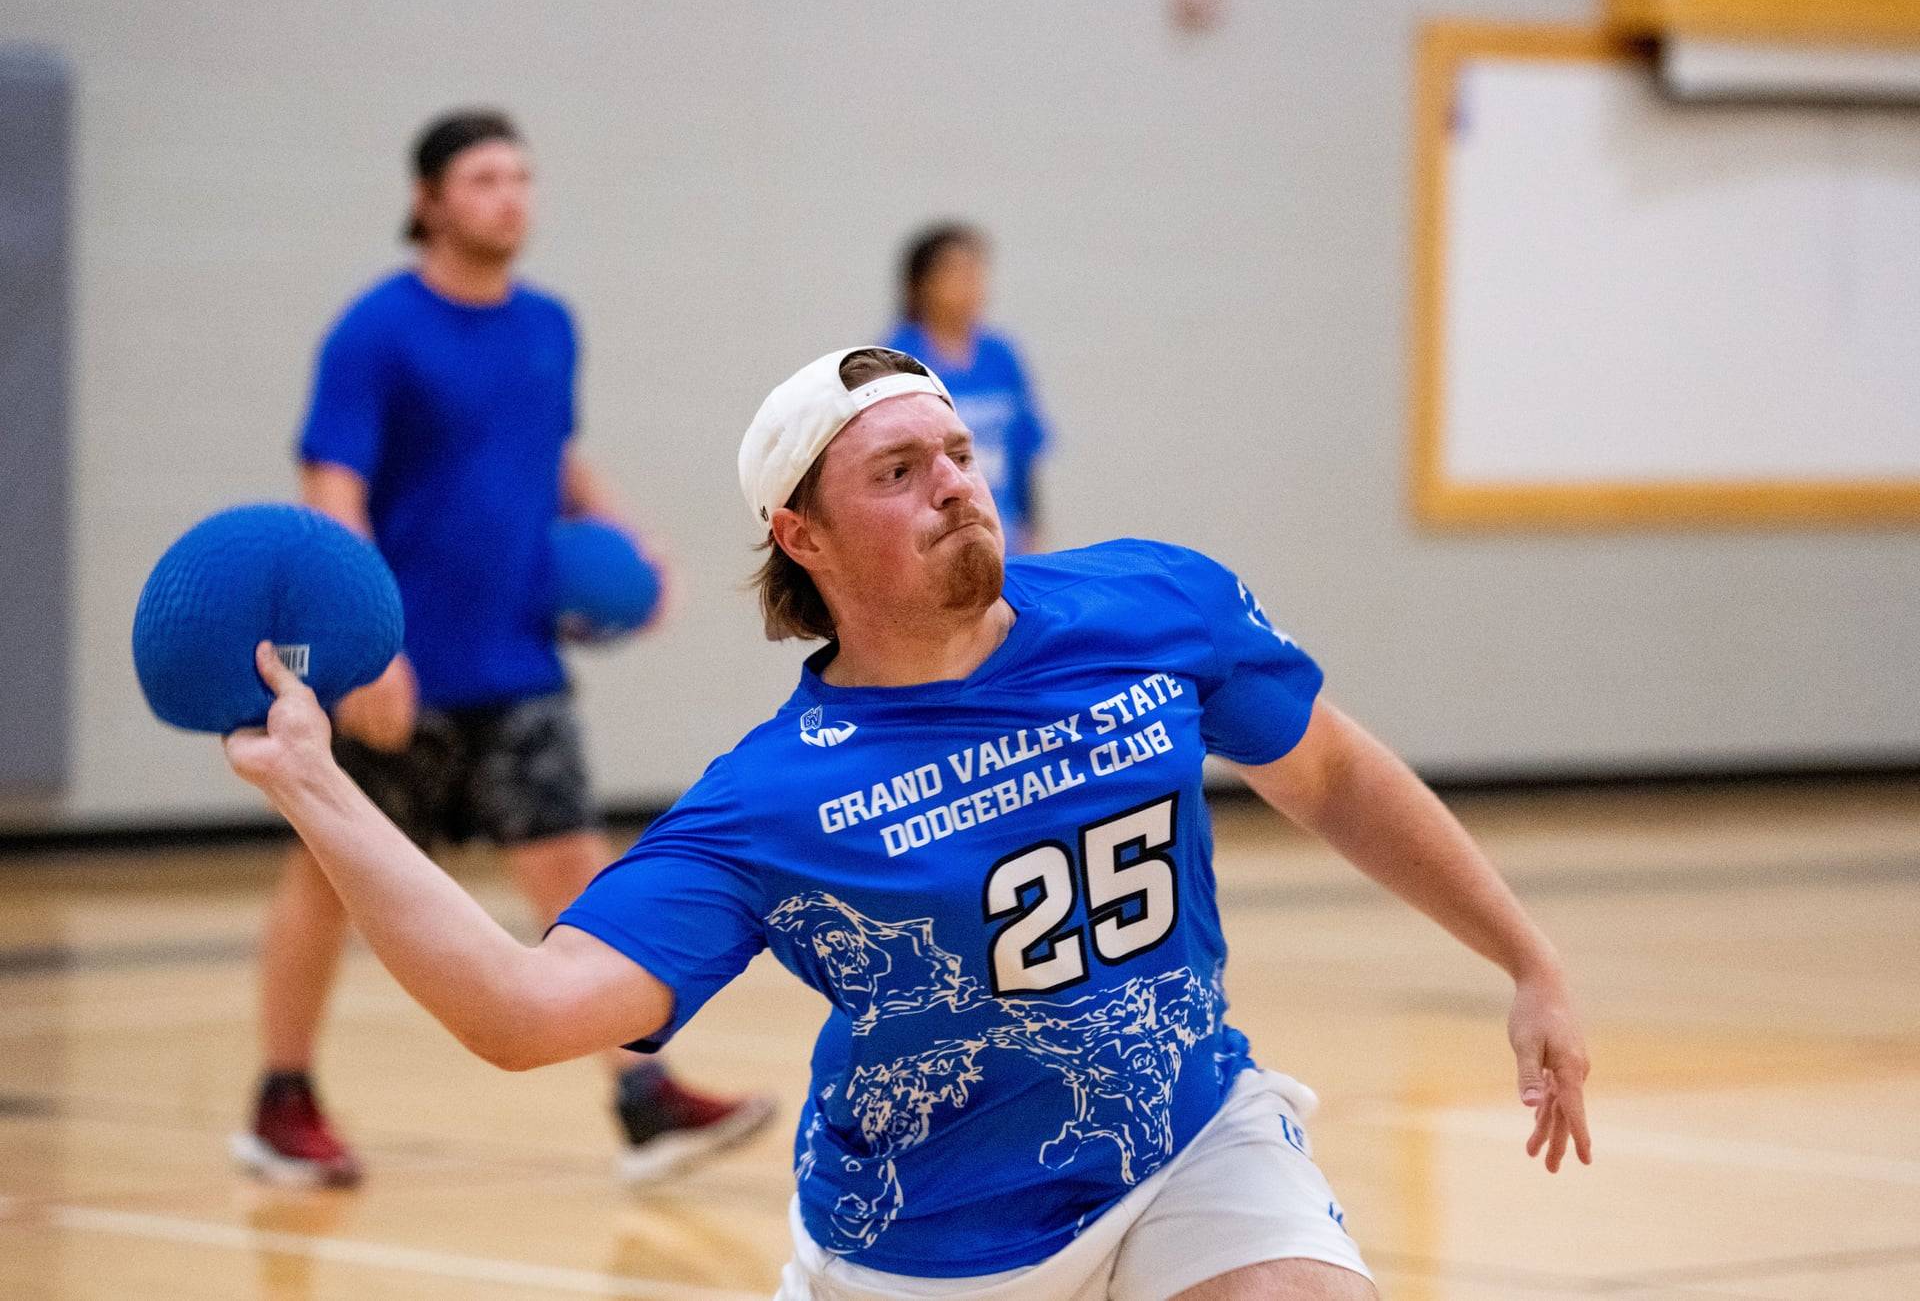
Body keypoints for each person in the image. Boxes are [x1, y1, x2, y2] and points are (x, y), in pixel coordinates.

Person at [225, 346, 1593, 1298]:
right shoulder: (775, 796)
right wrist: (317, 787)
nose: (953, 481)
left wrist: (1525, 957)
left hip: (1186, 1142)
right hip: (925, 1244)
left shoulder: (1152, 607)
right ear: (803, 537)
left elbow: (1331, 772)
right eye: (897, 471)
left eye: (957, 451)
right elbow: (524, 1013)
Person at [234, 108, 773, 1189]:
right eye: (484, 179)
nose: (510, 197)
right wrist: (363, 644)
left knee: (576, 867)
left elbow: (555, 456)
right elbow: (332, 489)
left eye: (521, 177)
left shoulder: (548, 326)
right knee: (331, 880)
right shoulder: (375, 332)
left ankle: (642, 1094)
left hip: (518, 658)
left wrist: (626, 539)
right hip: (401, 670)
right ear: (429, 200)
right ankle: (279, 1099)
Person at [884, 223, 1052, 554]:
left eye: (976, 273)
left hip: (1000, 534)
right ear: (922, 283)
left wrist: (1030, 526)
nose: (971, 285)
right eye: (956, 273)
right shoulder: (897, 358)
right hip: (932, 539)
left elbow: (1022, 451)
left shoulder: (1001, 355)